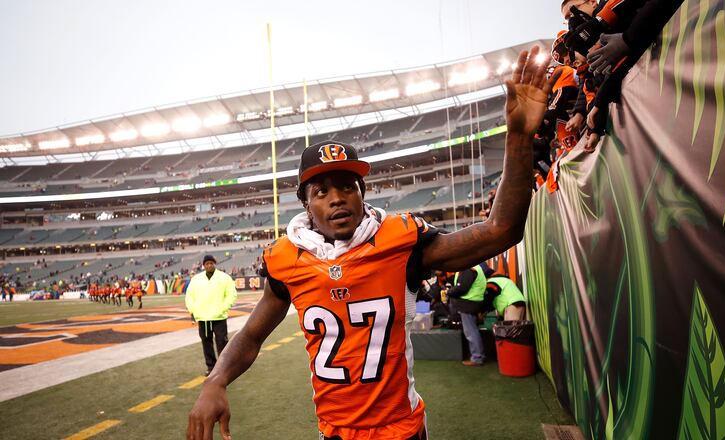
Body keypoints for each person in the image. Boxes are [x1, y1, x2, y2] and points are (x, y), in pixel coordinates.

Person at [187, 46, 554, 440]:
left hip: (401, 431)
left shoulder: (401, 240)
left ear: (363, 193)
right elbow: (250, 336)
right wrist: (216, 380)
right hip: (335, 432)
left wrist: (519, 138)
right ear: (306, 204)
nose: (337, 198)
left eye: (348, 186)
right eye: (322, 191)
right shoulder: (286, 259)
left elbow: (502, 230)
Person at [185, 255, 238, 376]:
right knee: (206, 343)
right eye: (207, 263)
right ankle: (211, 367)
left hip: (219, 317)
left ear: (215, 264)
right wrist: (193, 310)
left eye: (211, 263)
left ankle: (224, 367)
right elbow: (189, 296)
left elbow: (231, 294)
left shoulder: (224, 277)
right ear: (203, 265)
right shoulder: (196, 279)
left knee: (222, 342)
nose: (209, 265)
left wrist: (223, 308)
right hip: (203, 318)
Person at [446, 264, 490, 366]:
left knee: (471, 332)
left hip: (468, 303)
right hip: (474, 302)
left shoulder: (468, 268)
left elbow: (462, 288)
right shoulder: (474, 267)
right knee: (473, 330)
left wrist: (449, 292)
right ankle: (479, 355)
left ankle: (477, 357)